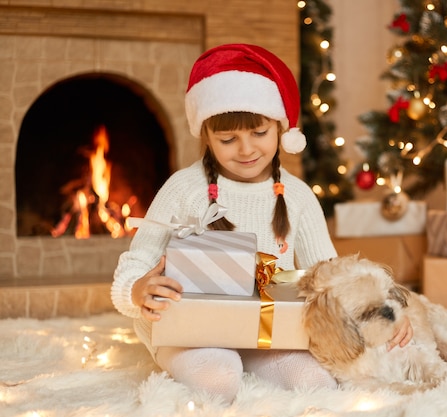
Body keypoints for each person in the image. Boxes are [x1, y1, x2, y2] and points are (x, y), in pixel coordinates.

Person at [111, 43, 413, 403]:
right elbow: (135, 264)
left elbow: (332, 274)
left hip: (267, 326)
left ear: (280, 129)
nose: (246, 149)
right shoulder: (183, 189)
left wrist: (389, 311)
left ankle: (249, 355)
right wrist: (136, 291)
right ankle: (218, 361)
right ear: (206, 135)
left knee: (317, 382)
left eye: (259, 133)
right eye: (228, 139)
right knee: (217, 381)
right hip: (191, 328)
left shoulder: (298, 196)